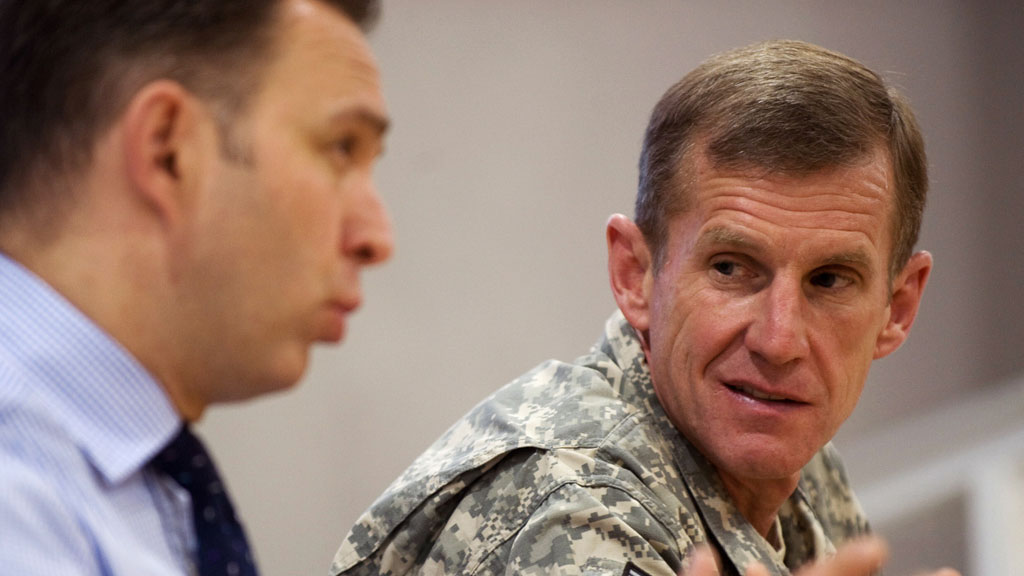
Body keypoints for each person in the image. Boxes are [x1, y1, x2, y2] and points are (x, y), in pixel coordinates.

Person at [331, 41, 956, 576]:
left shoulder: (792, 453)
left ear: (896, 307)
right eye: (731, 268)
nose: (779, 339)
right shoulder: (573, 510)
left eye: (829, 279)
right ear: (634, 273)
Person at [0, 0, 392, 574]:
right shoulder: (18, 493)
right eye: (341, 148)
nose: (377, 238)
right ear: (168, 150)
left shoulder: (135, 481)